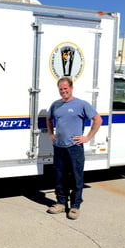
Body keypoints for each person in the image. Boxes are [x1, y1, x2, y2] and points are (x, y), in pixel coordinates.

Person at [46, 77, 102, 220]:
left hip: (74, 147)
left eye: (65, 88)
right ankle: (61, 203)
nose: (63, 91)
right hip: (59, 147)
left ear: (71, 88)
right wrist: (51, 133)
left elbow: (98, 119)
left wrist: (87, 137)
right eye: (61, 89)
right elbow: (49, 119)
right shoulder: (56, 105)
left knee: (76, 177)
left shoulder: (81, 104)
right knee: (60, 176)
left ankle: (75, 206)